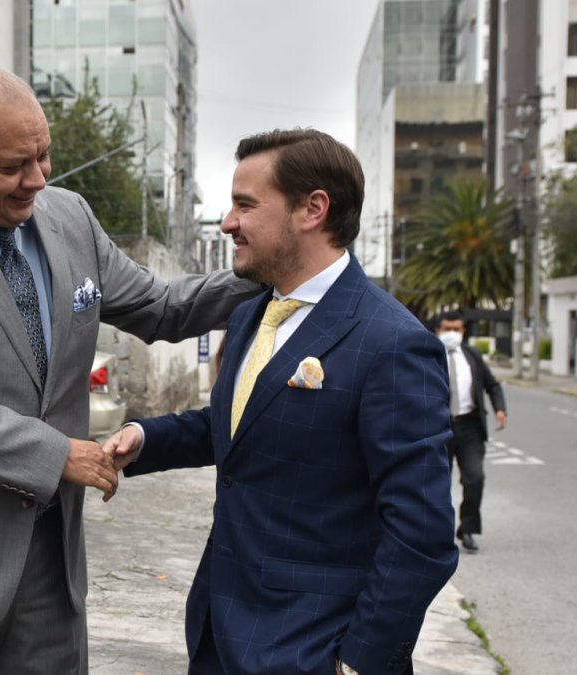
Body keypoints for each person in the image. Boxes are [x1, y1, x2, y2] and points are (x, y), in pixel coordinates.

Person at [0, 65, 261, 674]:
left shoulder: (68, 217)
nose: (37, 179)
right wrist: (60, 454)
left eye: (44, 156)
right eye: (12, 167)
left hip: (47, 562)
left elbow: (163, 308)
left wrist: (267, 270)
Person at [106, 129, 459, 675]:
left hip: (313, 648)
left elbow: (422, 533)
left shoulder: (393, 343)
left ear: (313, 209)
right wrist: (148, 439)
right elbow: (244, 425)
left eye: (245, 205)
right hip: (219, 635)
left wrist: (360, 661)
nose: (228, 223)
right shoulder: (251, 315)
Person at [435, 309, 507, 553]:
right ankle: (437, 532)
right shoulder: (428, 354)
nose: (452, 333)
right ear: (438, 330)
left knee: (475, 478)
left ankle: (467, 528)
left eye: (457, 329)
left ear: (463, 331)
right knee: (436, 483)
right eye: (447, 328)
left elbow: (492, 385)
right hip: (438, 428)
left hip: (470, 427)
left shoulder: (473, 355)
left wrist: (500, 409)